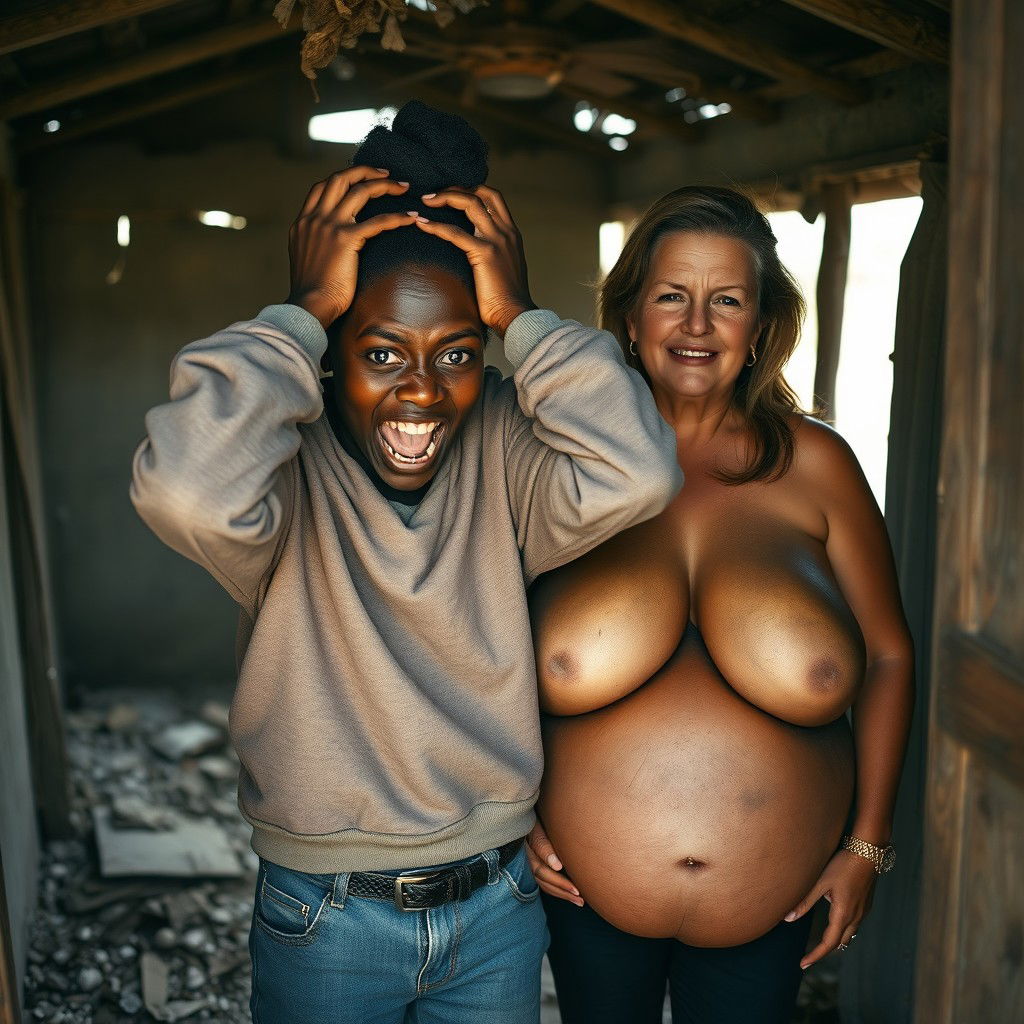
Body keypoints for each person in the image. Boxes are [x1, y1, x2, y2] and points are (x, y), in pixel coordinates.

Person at [130, 101, 681, 1024]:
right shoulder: (283, 475)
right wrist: (299, 312)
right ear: (326, 360)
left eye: (459, 353)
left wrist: (523, 317)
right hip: (327, 919)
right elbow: (186, 489)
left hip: (497, 912)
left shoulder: (505, 445)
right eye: (380, 352)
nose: (422, 393)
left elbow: (640, 470)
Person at [524, 186, 914, 1024]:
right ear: (629, 314)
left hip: (771, 910)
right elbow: (475, 644)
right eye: (672, 295)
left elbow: (889, 655)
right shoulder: (558, 460)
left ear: (761, 323)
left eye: (726, 300)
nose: (696, 324)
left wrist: (867, 846)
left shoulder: (819, 466)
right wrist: (505, 817)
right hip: (584, 898)